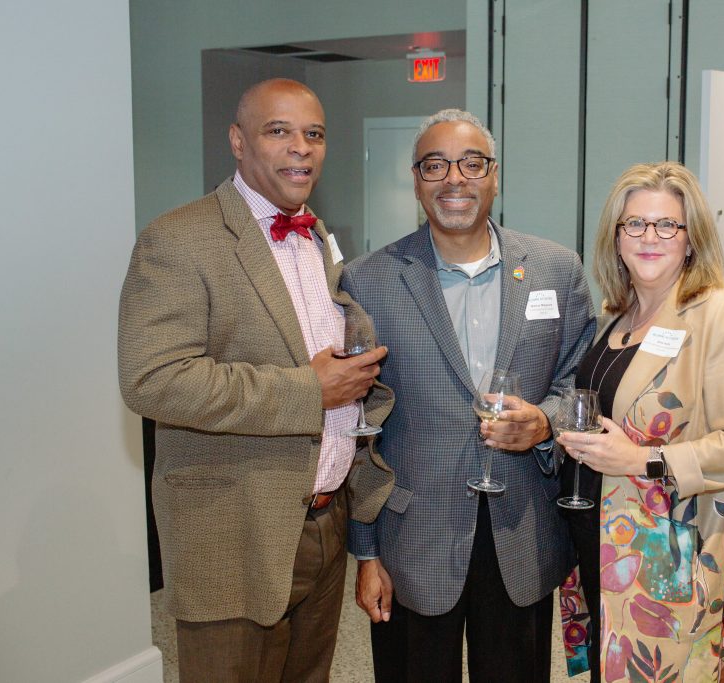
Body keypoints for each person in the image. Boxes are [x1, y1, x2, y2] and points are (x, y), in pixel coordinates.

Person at [118, 78, 394, 682]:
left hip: (324, 522)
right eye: (280, 131)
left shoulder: (316, 237)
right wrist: (308, 392)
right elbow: (152, 378)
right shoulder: (178, 239)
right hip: (234, 531)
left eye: (314, 134)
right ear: (238, 142)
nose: (301, 147)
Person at [342, 108, 596, 682]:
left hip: (522, 530)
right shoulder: (369, 281)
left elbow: (580, 381)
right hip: (413, 534)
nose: (454, 179)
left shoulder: (557, 270)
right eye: (435, 165)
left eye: (471, 163)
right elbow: (357, 424)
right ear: (415, 179)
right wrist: (365, 551)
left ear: (495, 175)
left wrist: (547, 422)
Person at [556, 161, 724, 681]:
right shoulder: (619, 316)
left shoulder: (721, 313)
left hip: (671, 551)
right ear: (616, 236)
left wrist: (643, 459)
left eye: (666, 225)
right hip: (601, 538)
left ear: (691, 238)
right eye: (635, 224)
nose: (649, 237)